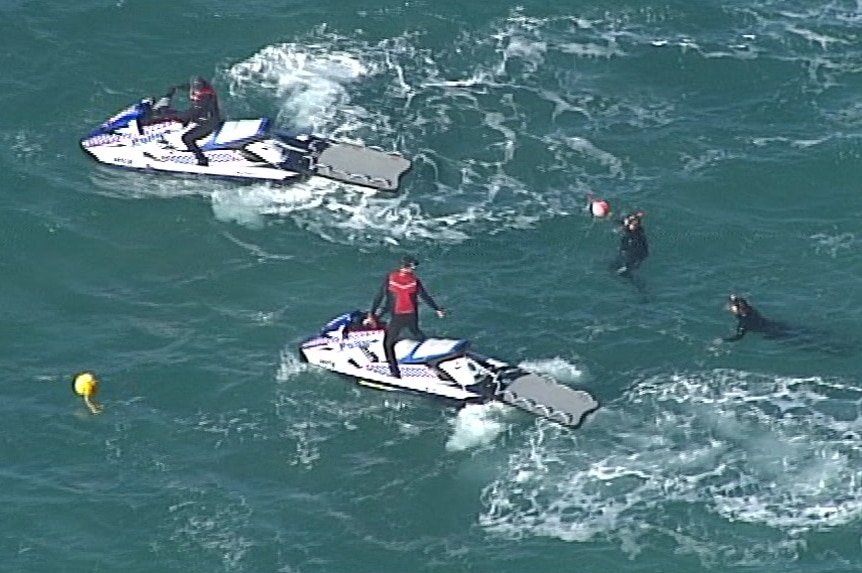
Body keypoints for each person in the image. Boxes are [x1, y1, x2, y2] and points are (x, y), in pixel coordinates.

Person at [366, 256, 446, 378]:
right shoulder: (414, 280)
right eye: (414, 266)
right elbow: (424, 296)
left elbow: (379, 296)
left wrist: (372, 313)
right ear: (410, 266)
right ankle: (431, 357)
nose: (415, 268)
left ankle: (395, 373)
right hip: (412, 314)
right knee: (416, 333)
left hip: (398, 316)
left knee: (388, 344)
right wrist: (437, 309)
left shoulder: (391, 277)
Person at [156, 76, 223, 166]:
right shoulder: (204, 91)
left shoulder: (205, 97)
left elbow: (194, 113)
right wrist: (175, 89)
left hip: (209, 122)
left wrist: (174, 115)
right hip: (204, 119)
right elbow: (189, 88)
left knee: (187, 138)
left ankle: (202, 159)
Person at [614, 211, 649, 277]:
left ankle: (626, 269)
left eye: (636, 224)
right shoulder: (627, 227)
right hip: (631, 248)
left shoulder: (636, 234)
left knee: (631, 260)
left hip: (637, 250)